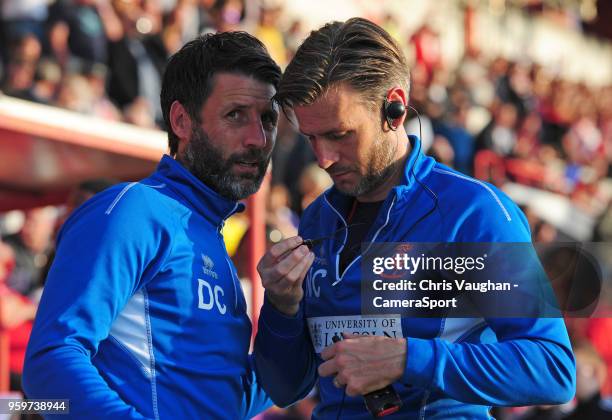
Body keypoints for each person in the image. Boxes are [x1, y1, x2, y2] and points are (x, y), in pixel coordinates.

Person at [254, 18, 575, 418]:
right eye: (311, 138)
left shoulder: (473, 213)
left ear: (395, 108)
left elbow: (552, 369)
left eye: (340, 135)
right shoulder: (320, 218)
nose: (323, 159)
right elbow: (285, 389)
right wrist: (281, 309)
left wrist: (409, 359)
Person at [23, 31, 281, 419]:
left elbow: (224, 401)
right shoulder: (134, 211)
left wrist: (303, 324)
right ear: (181, 120)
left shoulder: (211, 238)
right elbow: (49, 364)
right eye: (235, 115)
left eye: (268, 119)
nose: (258, 138)